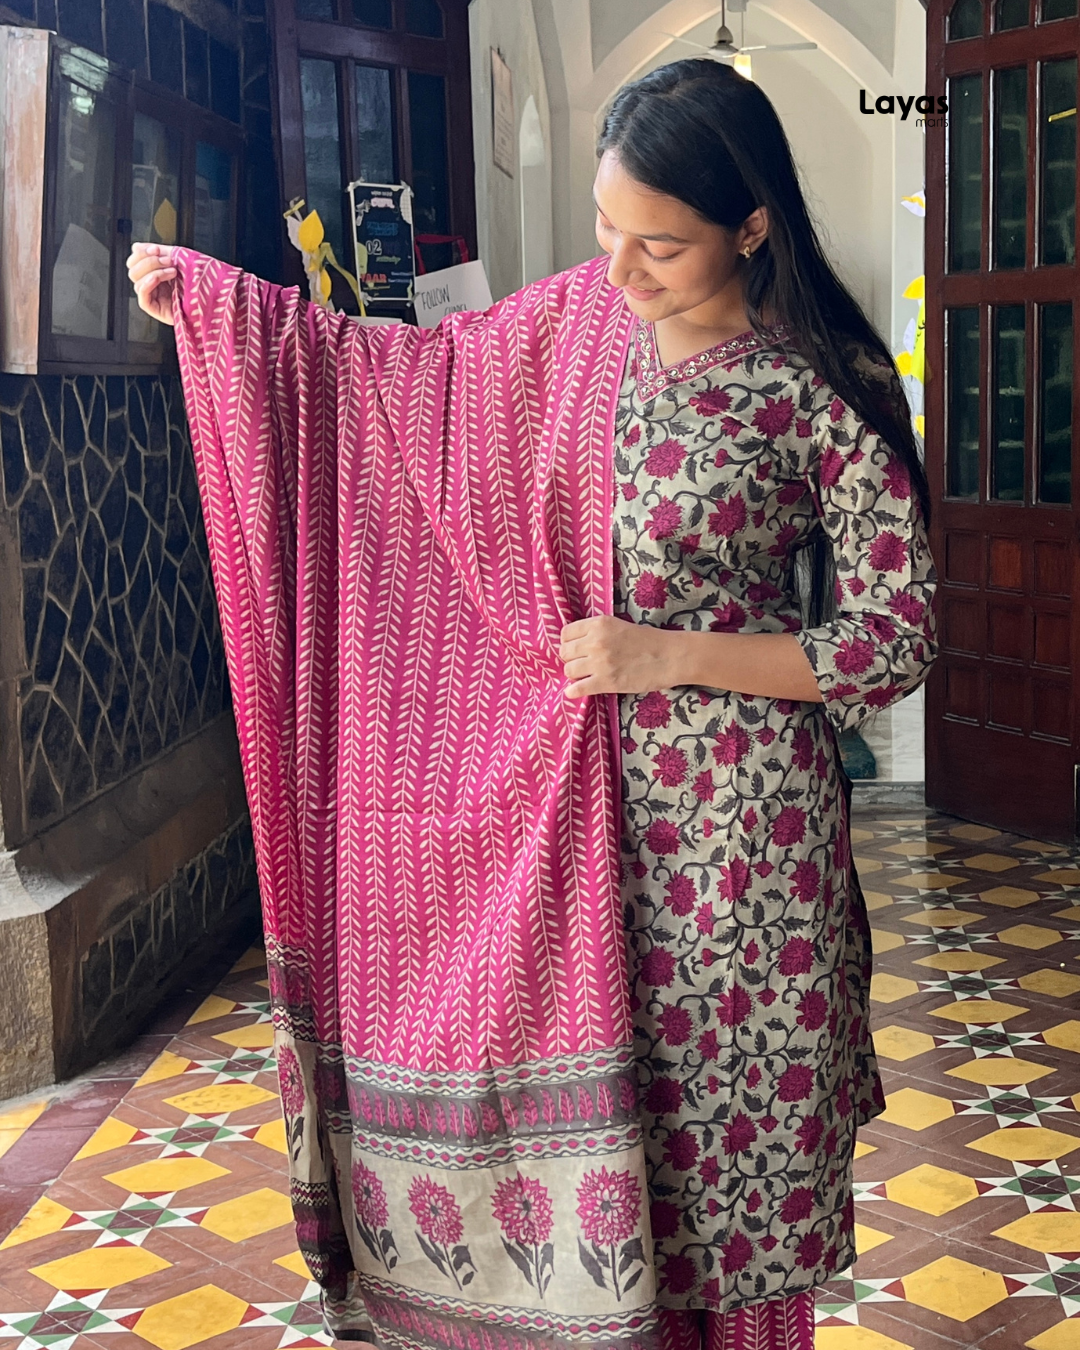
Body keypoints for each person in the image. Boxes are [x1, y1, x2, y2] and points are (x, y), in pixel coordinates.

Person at [129, 57, 936, 1350]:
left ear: (753, 226)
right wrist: (225, 316)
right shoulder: (579, 330)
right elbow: (400, 385)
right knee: (647, 1200)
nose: (620, 269)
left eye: (659, 245)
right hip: (598, 847)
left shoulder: (822, 380)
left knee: (733, 1198)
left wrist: (665, 654)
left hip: (746, 869)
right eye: (606, 230)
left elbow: (895, 636)